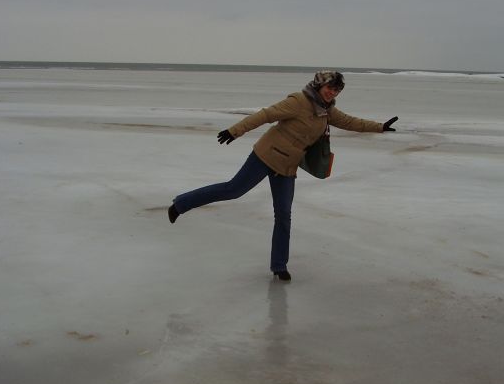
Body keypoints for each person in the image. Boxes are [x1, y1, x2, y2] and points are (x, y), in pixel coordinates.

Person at [168, 70, 398, 281]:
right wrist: (235, 131)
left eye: (337, 90)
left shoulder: (327, 111)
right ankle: (180, 204)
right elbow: (266, 115)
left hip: (287, 166)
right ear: (319, 85)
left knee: (284, 214)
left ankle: (279, 266)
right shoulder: (298, 102)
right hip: (265, 156)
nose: (333, 93)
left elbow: (350, 122)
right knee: (233, 189)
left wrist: (379, 127)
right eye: (330, 87)